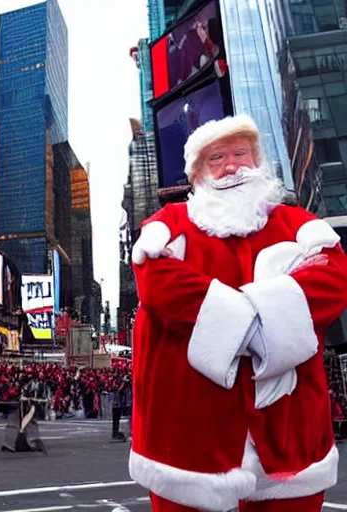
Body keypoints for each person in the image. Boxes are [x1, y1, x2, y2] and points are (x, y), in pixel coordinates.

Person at [129, 114, 347, 512]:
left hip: (289, 433)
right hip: (189, 442)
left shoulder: (297, 223)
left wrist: (243, 320)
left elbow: (332, 278)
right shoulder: (170, 224)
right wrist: (254, 323)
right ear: (196, 173)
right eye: (217, 158)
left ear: (257, 161)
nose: (231, 166)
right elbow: (158, 284)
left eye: (240, 154)